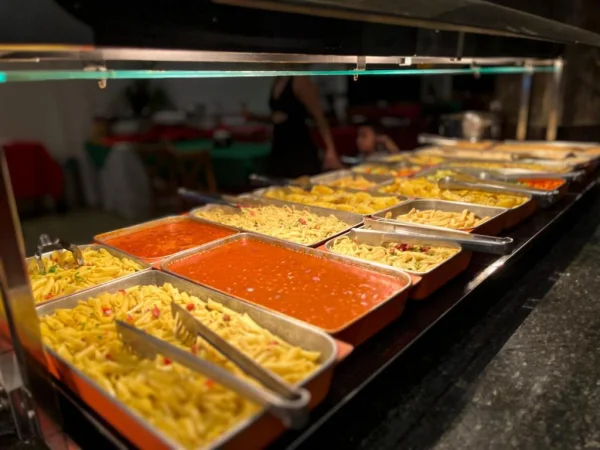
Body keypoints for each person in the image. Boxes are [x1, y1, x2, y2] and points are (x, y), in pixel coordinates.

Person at [243, 76, 342, 178]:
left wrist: (330, 149)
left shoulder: (300, 80)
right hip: (279, 146)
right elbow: (278, 116)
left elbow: (319, 117)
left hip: (298, 146)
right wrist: (253, 117)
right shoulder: (277, 80)